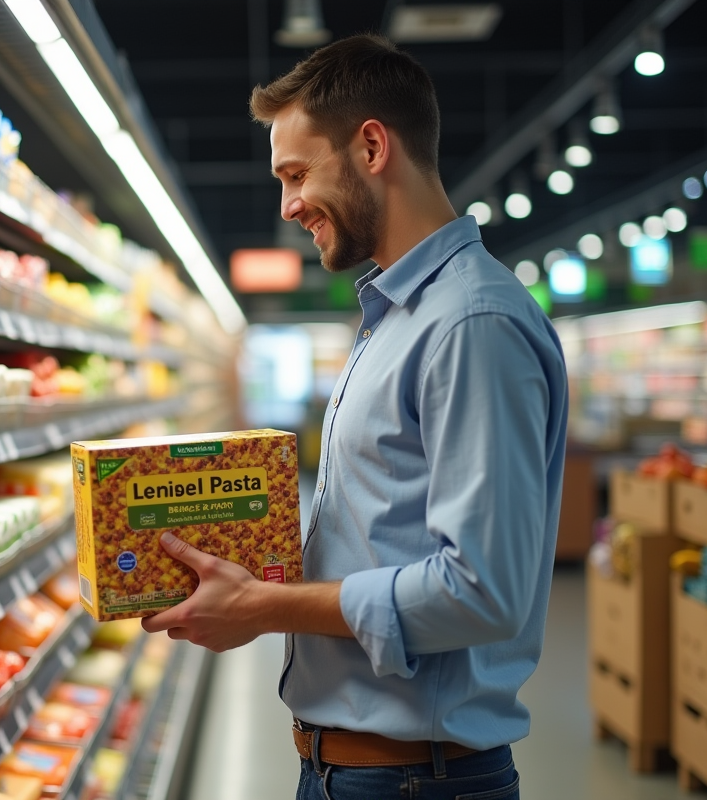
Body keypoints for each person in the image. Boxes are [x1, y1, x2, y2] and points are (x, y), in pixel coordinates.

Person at [141, 34, 568, 800]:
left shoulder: (470, 324)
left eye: (297, 173)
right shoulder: (393, 318)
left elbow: (483, 589)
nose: (287, 205)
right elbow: (384, 532)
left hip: (413, 782)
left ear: (372, 146)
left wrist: (266, 606)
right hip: (355, 772)